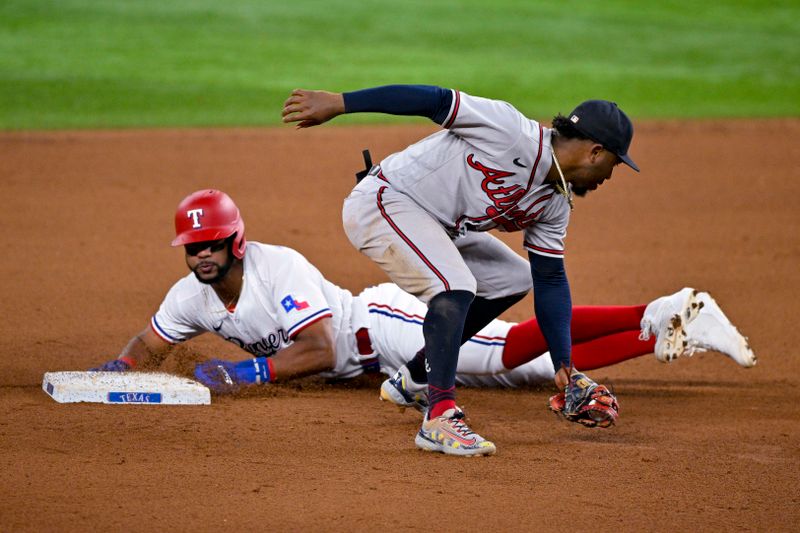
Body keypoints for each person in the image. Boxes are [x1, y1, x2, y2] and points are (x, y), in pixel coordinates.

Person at [92, 190, 757, 455]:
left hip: (383, 327)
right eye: (193, 247)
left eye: (212, 243)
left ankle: (666, 308)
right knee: (527, 367)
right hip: (384, 363)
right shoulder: (191, 295)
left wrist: (248, 370)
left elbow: (321, 348)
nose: (202, 254)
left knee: (503, 350)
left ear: (236, 241)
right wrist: (119, 370)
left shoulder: (277, 266)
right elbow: (148, 342)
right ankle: (664, 323)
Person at [281, 84, 642, 454]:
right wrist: (340, 104)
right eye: (614, 165)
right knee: (455, 286)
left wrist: (564, 363)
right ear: (596, 152)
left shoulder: (554, 204)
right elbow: (435, 100)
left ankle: (416, 376)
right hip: (386, 201)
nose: (608, 179)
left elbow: (549, 278)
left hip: (439, 226)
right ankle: (438, 417)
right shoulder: (510, 131)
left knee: (513, 278)